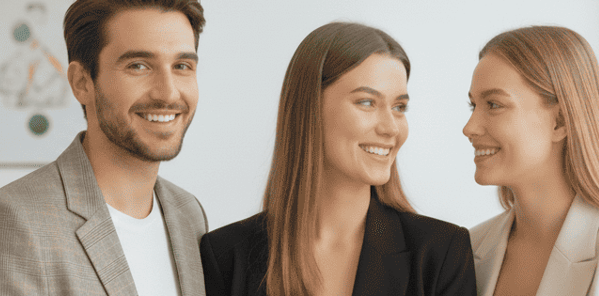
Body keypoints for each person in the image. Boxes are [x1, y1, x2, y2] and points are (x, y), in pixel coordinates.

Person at [0, 0, 209, 295]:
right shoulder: (8, 225)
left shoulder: (187, 214)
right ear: (82, 82)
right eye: (138, 65)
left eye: (182, 66)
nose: (168, 92)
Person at [199, 22, 477, 296]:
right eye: (367, 102)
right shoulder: (226, 256)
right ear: (309, 108)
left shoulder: (440, 253)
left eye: (399, 107)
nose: (391, 127)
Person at [462, 26, 599, 296]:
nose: (470, 127)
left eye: (494, 105)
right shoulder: (467, 250)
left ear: (560, 121)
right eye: (473, 105)